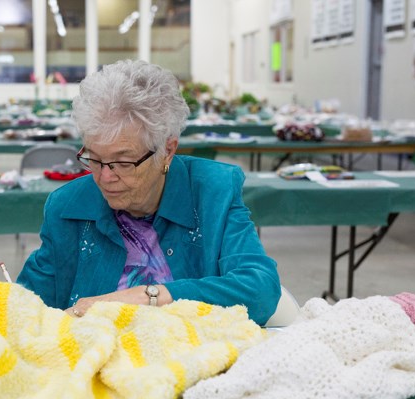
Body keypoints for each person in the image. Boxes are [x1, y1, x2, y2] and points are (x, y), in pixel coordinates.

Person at [17, 59, 281, 325]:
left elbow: (260, 291)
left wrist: (147, 295)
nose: (105, 177)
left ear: (167, 150)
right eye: (94, 158)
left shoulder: (213, 191)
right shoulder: (68, 206)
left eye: (123, 162)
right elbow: (27, 307)